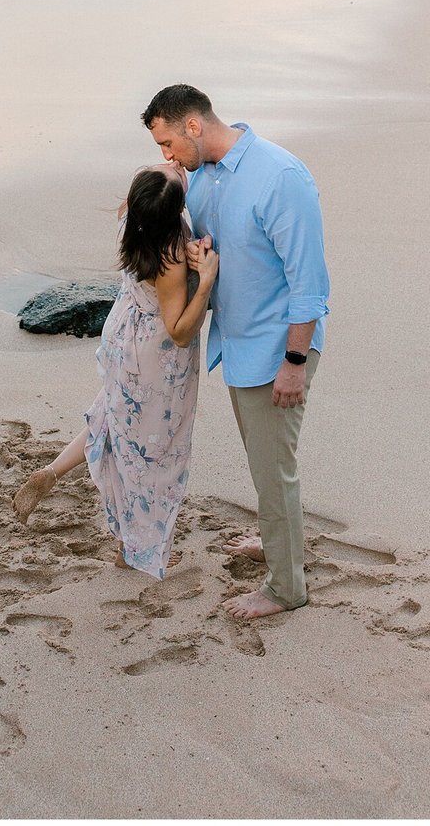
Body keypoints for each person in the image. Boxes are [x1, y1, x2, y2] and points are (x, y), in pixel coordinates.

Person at [142, 84, 329, 619]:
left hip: (277, 351)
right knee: (266, 463)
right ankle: (279, 543)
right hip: (239, 346)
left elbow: (310, 286)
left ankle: (285, 588)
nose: (168, 157)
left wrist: (293, 364)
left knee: (273, 471)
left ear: (194, 126)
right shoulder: (203, 178)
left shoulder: (280, 177)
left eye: (168, 144)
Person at [12, 162, 218, 579]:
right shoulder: (172, 253)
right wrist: (207, 279)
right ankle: (137, 549)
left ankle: (51, 472)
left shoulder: (133, 218)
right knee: (154, 454)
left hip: (123, 335)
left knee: (113, 416)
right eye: (172, 171)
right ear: (175, 208)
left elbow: (151, 189)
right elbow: (178, 331)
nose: (174, 164)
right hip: (156, 358)